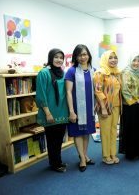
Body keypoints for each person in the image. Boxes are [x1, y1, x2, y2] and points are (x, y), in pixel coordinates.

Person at [36, 48, 69, 173]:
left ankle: (57, 161)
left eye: (61, 57)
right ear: (51, 58)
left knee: (59, 139)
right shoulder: (43, 73)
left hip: (62, 112)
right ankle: (54, 164)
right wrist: (47, 113)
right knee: (52, 140)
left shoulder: (63, 73)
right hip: (50, 113)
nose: (59, 60)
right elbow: (41, 94)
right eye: (56, 57)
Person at [65, 44, 96, 172]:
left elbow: (96, 90)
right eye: (80, 55)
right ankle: (82, 159)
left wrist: (96, 105)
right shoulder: (71, 71)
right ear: (76, 57)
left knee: (86, 132)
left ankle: (84, 154)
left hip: (89, 107)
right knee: (78, 132)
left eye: (85, 54)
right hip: (77, 108)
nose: (83, 57)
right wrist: (71, 111)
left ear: (88, 55)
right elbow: (68, 92)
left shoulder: (93, 70)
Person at [93, 50, 121, 165]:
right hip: (105, 107)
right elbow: (98, 91)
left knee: (114, 130)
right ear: (105, 59)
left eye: (115, 57)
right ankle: (106, 156)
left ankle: (113, 153)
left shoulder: (117, 72)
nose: (113, 60)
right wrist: (103, 108)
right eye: (110, 58)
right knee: (105, 131)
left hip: (116, 106)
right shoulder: (100, 73)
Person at [119, 53, 139, 160]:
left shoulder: (138, 73)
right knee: (130, 128)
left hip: (138, 105)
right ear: (130, 61)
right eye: (134, 60)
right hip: (129, 105)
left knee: (137, 128)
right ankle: (130, 152)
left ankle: (137, 151)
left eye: (138, 61)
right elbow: (125, 90)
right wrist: (135, 100)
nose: (136, 63)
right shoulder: (125, 72)